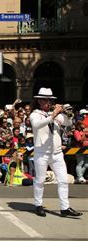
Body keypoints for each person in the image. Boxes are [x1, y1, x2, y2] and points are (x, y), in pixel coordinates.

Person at [30, 87, 82, 217]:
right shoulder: (35, 114)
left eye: (49, 100)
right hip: (41, 152)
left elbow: (69, 122)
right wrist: (53, 115)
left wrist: (66, 112)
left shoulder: (56, 114)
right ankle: (38, 205)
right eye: (45, 100)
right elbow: (37, 125)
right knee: (40, 180)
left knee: (63, 180)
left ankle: (65, 207)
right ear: (39, 101)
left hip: (57, 153)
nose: (48, 102)